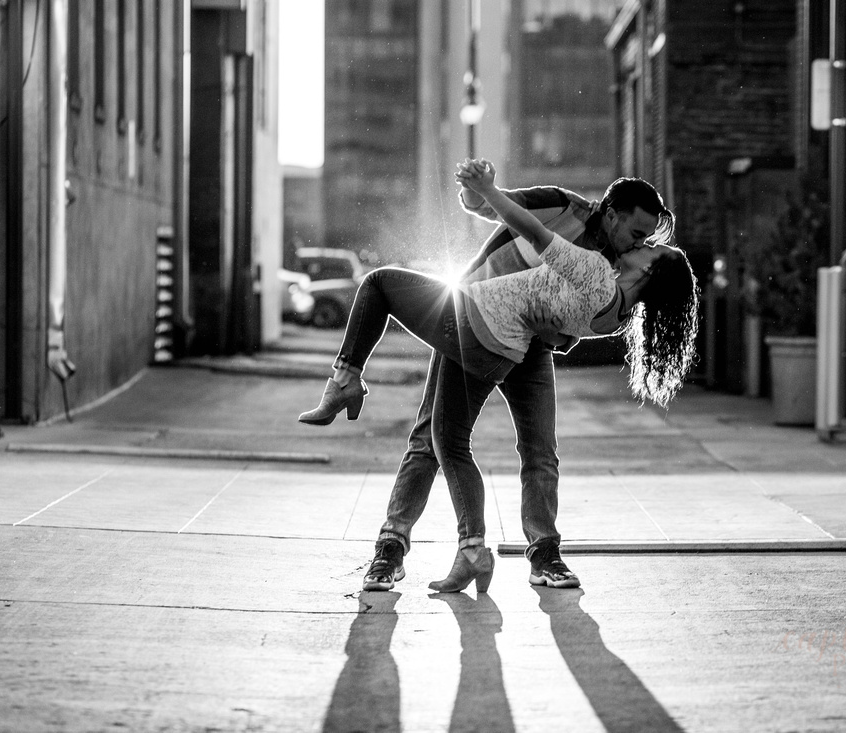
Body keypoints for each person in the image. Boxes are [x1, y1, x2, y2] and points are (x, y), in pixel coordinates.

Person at [299, 159, 699, 592]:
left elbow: (572, 321)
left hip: (525, 342)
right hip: (479, 311)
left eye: (646, 241)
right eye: (637, 234)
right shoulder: (562, 207)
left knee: (537, 449)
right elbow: (497, 209)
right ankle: (391, 549)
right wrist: (478, 189)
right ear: (613, 213)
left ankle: (544, 555)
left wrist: (554, 328)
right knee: (430, 440)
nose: (637, 244)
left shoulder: (611, 273)